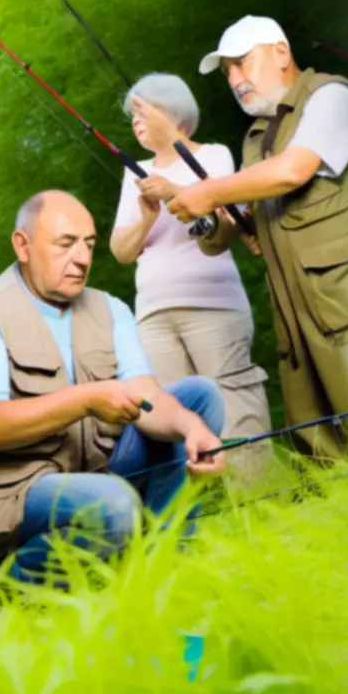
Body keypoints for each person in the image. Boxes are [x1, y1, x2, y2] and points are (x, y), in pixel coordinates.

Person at [0, 191, 225, 582]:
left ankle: (167, 567)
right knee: (114, 504)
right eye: (66, 244)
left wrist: (193, 429)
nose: (83, 258)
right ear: (23, 246)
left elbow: (151, 398)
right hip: (9, 494)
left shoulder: (110, 308)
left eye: (89, 244)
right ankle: (4, 582)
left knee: (198, 399)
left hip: (95, 471)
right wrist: (86, 399)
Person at [167, 15, 348, 459]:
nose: (235, 80)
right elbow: (224, 233)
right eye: (228, 73)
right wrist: (203, 216)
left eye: (242, 63)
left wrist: (208, 191)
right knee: (324, 466)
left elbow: (292, 171)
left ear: (282, 52)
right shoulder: (258, 138)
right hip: (298, 330)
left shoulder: (332, 97)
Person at [110, 72, 271, 446]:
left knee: (234, 407)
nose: (135, 122)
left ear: (174, 113)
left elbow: (221, 212)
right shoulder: (136, 173)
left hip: (212, 304)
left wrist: (172, 192)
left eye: (142, 112)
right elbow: (120, 251)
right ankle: (204, 502)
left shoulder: (214, 154)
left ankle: (259, 496)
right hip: (152, 314)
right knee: (172, 418)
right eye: (132, 116)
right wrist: (147, 217)